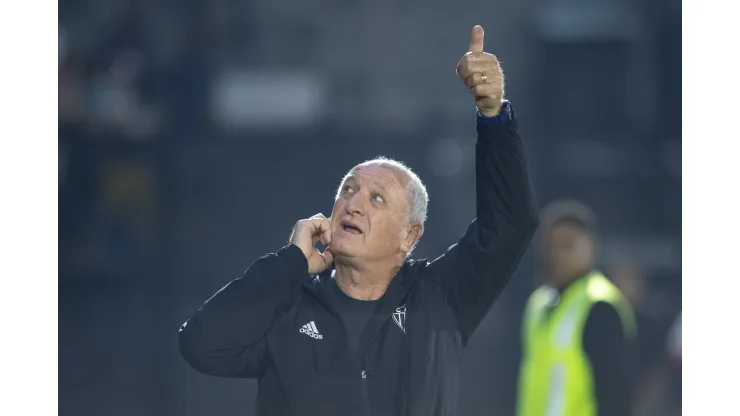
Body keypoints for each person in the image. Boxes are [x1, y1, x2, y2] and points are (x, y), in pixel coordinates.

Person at [178, 25, 539, 416]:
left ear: (409, 236)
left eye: (376, 198)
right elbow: (201, 347)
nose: (353, 204)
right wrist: (290, 264)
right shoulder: (287, 306)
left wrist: (493, 115)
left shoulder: (440, 297)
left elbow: (510, 221)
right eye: (347, 190)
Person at [516, 200, 637, 416]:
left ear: (591, 247)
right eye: (550, 246)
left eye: (568, 245)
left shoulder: (600, 305)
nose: (558, 255)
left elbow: (615, 395)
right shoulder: (538, 303)